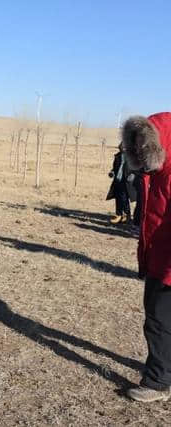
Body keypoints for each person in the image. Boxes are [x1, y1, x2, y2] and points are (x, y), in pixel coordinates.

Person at [122, 113, 171, 402]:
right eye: (136, 145)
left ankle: (157, 382)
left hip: (168, 263)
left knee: (159, 320)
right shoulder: (155, 174)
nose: (140, 150)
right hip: (157, 256)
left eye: (145, 144)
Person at [106, 143, 136, 224]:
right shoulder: (117, 156)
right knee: (118, 197)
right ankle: (118, 215)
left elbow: (136, 168)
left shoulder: (131, 157)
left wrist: (133, 175)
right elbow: (114, 167)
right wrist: (112, 172)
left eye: (123, 147)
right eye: (121, 147)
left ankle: (127, 215)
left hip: (126, 181)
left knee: (124, 198)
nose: (122, 148)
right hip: (118, 180)